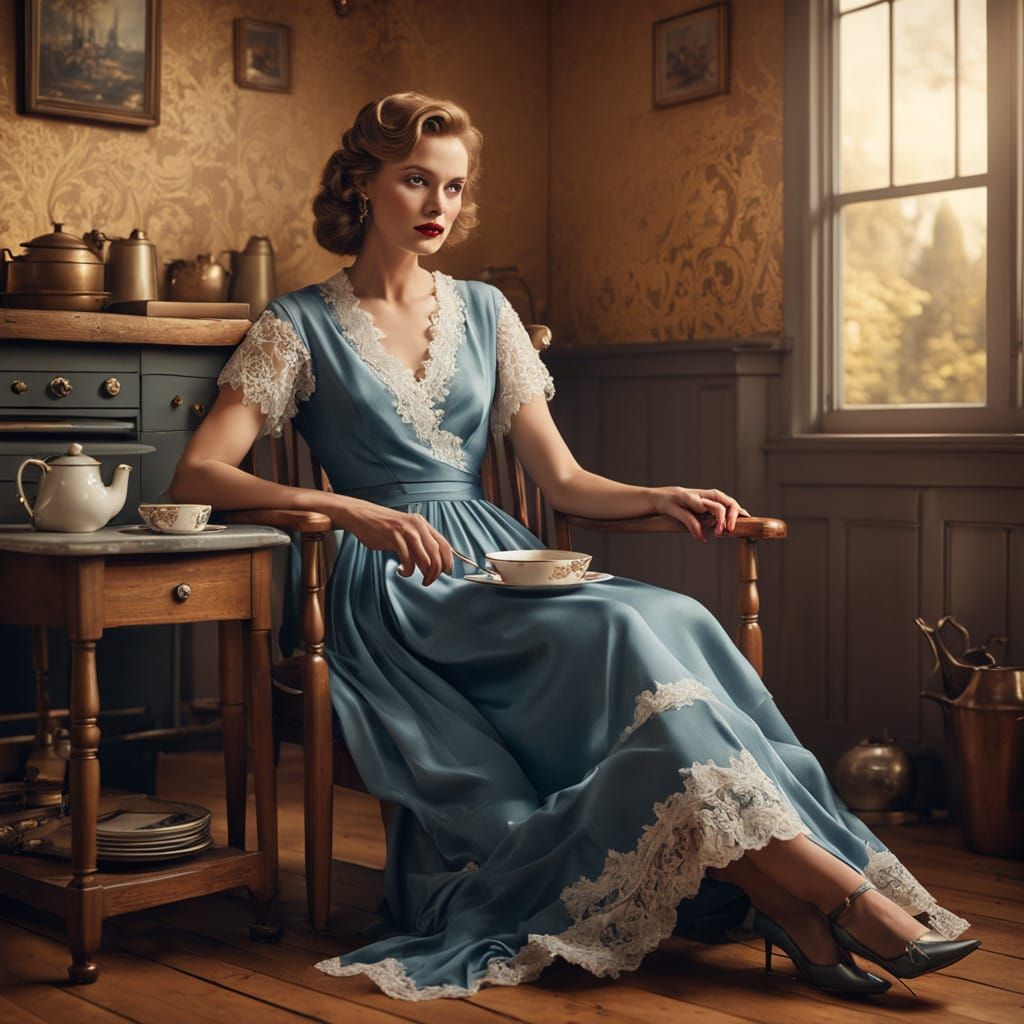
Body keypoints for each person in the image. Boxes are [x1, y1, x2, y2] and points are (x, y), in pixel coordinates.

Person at [170, 92, 979, 1002]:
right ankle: (844, 904)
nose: (438, 205)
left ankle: (800, 909)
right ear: (362, 184)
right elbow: (199, 474)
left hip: (494, 557)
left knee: (667, 611)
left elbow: (561, 481)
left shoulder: (485, 311)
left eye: (454, 186)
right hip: (390, 584)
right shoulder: (296, 322)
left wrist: (656, 495)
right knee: (617, 631)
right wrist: (343, 507)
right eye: (414, 180)